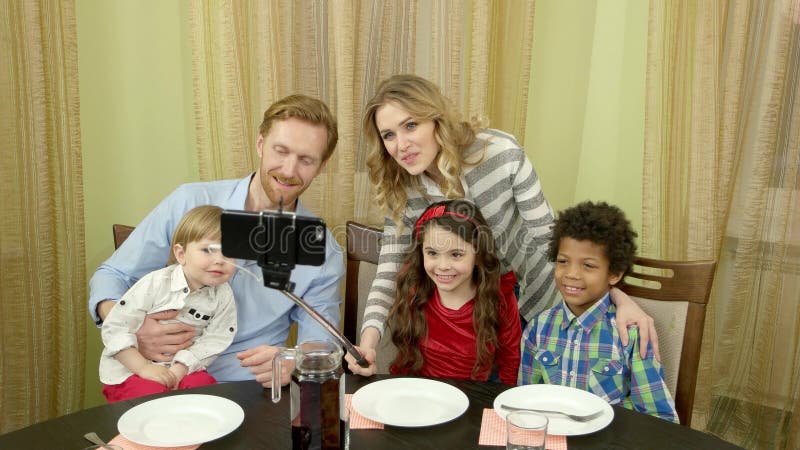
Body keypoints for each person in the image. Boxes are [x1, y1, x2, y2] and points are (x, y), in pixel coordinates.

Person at [348, 74, 658, 374]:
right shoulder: (399, 184)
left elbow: (551, 239)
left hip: (531, 303)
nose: (401, 144)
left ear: (437, 120)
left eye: (411, 126)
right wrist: (368, 343)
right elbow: (389, 268)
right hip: (468, 315)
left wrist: (617, 297)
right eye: (388, 135)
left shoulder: (499, 154)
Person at [89, 94, 344, 387]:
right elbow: (112, 275)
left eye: (306, 160)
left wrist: (293, 360)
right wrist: (131, 328)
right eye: (281, 151)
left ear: (321, 166)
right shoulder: (189, 201)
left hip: (247, 390)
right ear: (260, 144)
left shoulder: (321, 250)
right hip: (156, 378)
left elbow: (320, 343)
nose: (289, 170)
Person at [518, 201, 678, 423]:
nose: (571, 274)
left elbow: (658, 417)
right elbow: (524, 401)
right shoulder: (538, 328)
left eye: (588, 265)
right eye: (563, 261)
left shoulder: (632, 334)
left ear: (614, 274)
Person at [100, 205, 237, 402]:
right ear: (181, 254)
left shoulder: (223, 295)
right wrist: (143, 367)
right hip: (131, 369)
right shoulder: (155, 284)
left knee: (207, 395)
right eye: (208, 250)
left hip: (183, 368)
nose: (219, 260)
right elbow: (115, 327)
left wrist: (181, 368)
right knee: (150, 400)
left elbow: (217, 338)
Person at [383, 200, 521, 384]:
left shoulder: (500, 299)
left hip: (474, 400)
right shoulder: (416, 292)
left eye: (456, 254)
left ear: (478, 255)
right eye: (432, 253)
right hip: (421, 397)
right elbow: (406, 364)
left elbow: (510, 366)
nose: (443, 266)